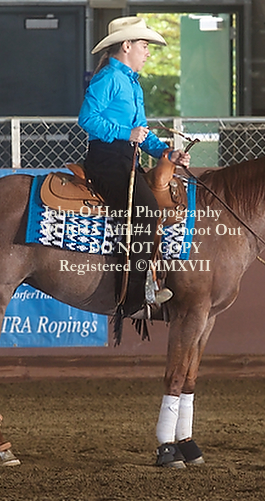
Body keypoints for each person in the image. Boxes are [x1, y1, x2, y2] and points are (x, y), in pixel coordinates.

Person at [78, 16, 191, 315]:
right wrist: (125, 133)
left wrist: (167, 153)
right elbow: (87, 119)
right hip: (107, 160)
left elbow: (143, 132)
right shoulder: (108, 78)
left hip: (126, 160)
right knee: (147, 210)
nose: (148, 53)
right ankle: (134, 297)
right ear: (126, 46)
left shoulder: (132, 84)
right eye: (144, 46)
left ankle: (145, 282)